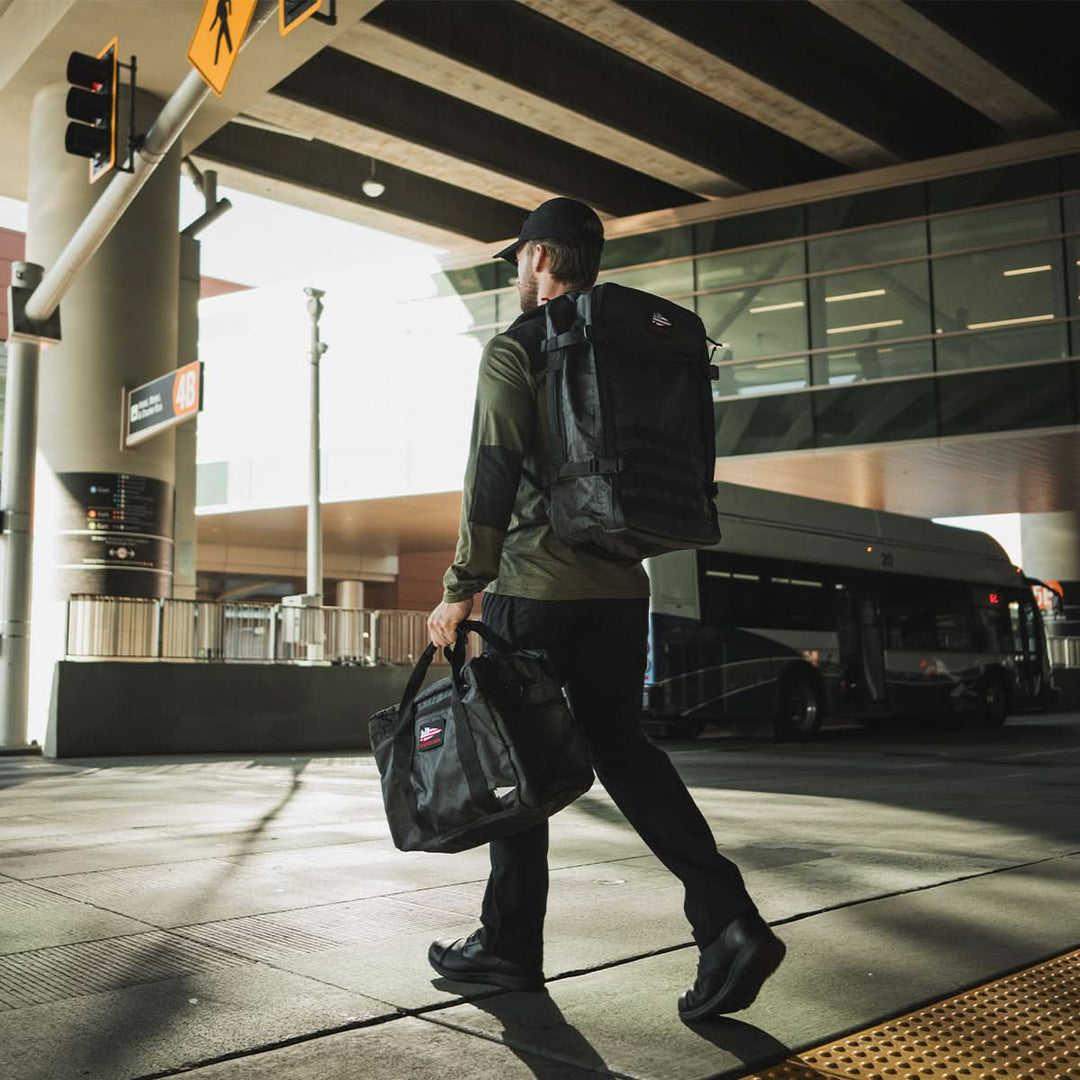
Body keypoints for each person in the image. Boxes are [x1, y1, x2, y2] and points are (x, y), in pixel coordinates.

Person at [425, 198, 784, 1021]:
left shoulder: (519, 347)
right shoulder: (634, 348)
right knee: (625, 752)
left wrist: (460, 586)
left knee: (520, 762)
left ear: (541, 257)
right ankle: (728, 919)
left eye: (520, 258)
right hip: (623, 591)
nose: (518, 272)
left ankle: (509, 946)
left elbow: (491, 470)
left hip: (533, 591)